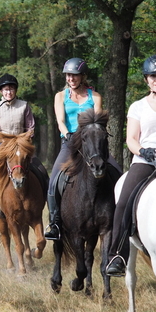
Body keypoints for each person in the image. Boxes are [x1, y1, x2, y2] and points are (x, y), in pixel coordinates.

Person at [44, 57, 121, 240]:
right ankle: (54, 222)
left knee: (117, 171)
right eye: (69, 75)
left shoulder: (95, 97)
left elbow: (99, 121)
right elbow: (60, 121)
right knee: (54, 179)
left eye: (75, 75)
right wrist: (68, 135)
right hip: (70, 144)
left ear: (83, 76)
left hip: (93, 145)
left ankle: (120, 217)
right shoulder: (60, 96)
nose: (71, 79)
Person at [106, 55, 156, 276]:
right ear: (146, 79)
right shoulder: (138, 107)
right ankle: (117, 255)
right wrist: (143, 151)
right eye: (153, 76)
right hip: (146, 160)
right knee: (124, 200)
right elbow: (131, 140)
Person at [0, 73, 48, 227]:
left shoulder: (24, 106)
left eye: (11, 89)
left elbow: (31, 128)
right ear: (1, 91)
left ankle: (51, 210)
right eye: (6, 89)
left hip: (21, 147)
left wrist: (24, 141)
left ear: (15, 90)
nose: (9, 92)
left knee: (41, 171)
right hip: (4, 149)